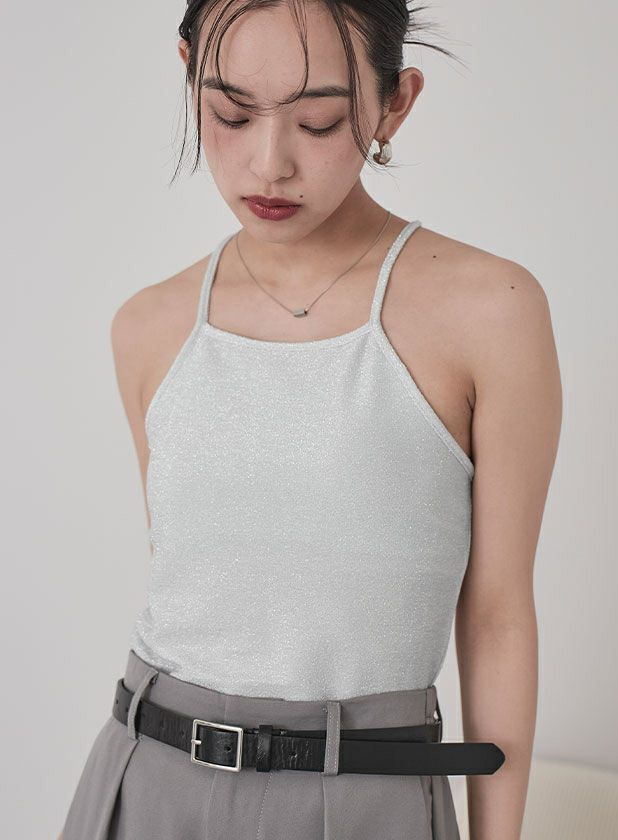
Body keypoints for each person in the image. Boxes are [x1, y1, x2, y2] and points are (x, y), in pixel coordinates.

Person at [59, 1, 561, 838]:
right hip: (146, 781)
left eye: (319, 121)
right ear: (188, 74)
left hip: (366, 792)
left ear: (395, 103)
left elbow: (498, 614)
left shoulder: (490, 311)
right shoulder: (148, 326)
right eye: (230, 113)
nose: (270, 163)